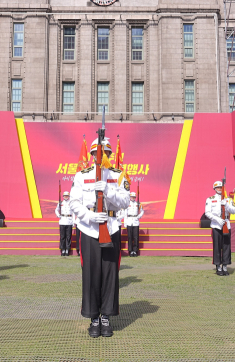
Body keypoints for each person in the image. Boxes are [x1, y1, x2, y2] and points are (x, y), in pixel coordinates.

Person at [70, 137, 130, 338]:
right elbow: (74, 202)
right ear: (92, 154)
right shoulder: (81, 175)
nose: (100, 156)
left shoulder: (118, 175)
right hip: (89, 229)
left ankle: (106, 317)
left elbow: (125, 201)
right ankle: (93, 317)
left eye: (105, 153)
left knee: (110, 276)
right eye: (97, 153)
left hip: (111, 228)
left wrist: (108, 189)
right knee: (91, 275)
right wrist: (89, 216)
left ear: (109, 155)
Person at [205, 181, 235, 275]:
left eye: (221, 187)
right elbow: (207, 212)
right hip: (216, 224)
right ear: (214, 189)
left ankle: (225, 266)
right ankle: (218, 266)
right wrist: (217, 220)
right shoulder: (210, 199)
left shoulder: (228, 199)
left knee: (226, 246)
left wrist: (226, 204)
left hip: (226, 224)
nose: (219, 189)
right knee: (217, 246)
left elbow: (233, 211)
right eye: (217, 187)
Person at [124, 192, 144, 257]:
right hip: (129, 220)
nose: (133, 198)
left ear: (135, 197)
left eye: (134, 197)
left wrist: (139, 216)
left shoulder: (138, 204)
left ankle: (135, 251)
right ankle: (130, 250)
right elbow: (125, 213)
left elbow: (142, 211)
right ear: (130, 197)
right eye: (132, 196)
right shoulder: (127, 204)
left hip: (135, 221)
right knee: (130, 237)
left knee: (136, 237)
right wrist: (125, 222)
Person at [55, 191, 74, 256]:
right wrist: (58, 215)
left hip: (69, 221)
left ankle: (67, 250)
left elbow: (73, 212)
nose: (66, 197)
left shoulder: (71, 203)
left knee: (68, 236)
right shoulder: (60, 203)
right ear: (63, 196)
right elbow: (56, 210)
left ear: (69, 196)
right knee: (62, 236)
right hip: (62, 220)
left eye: (67, 196)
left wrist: (73, 221)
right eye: (65, 196)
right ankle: (63, 249)